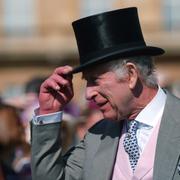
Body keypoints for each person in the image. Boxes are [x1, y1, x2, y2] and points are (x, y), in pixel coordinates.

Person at [31, 7, 180, 180]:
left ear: (131, 74)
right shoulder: (97, 136)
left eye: (95, 79)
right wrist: (49, 113)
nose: (88, 93)